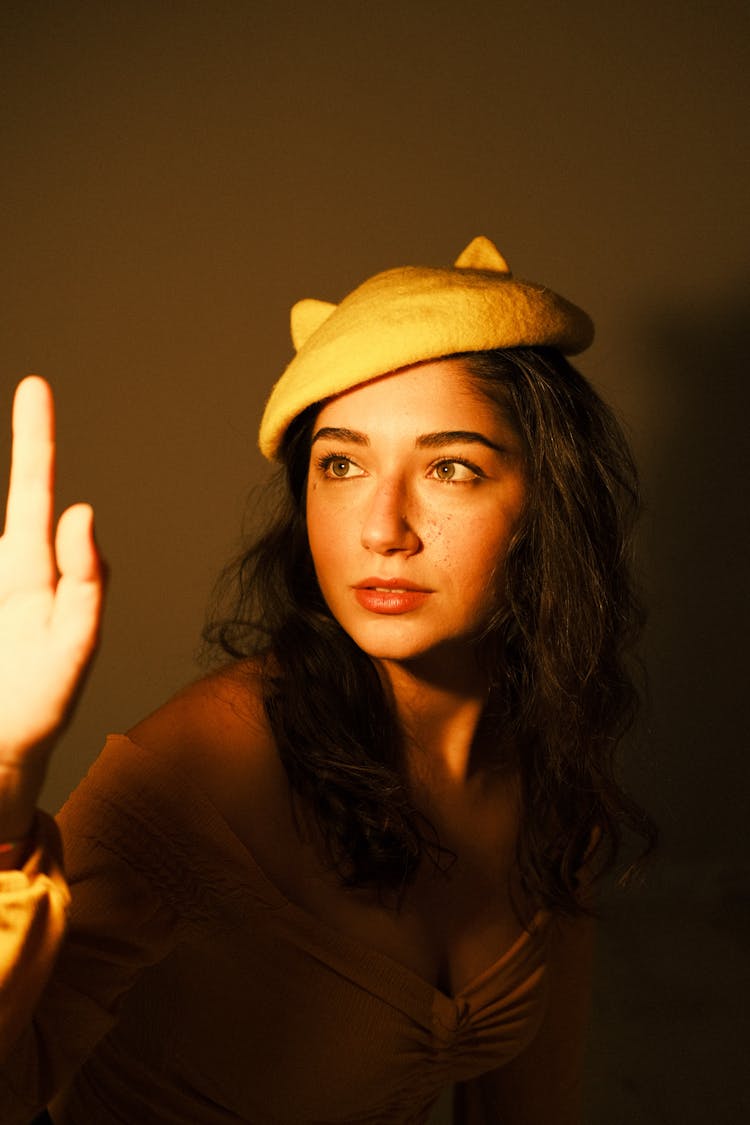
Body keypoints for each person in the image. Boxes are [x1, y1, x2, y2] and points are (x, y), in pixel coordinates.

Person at [0, 236, 654, 1124]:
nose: (382, 527)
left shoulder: (550, 763)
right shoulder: (202, 767)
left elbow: (530, 1104)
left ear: (548, 500)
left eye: (450, 467)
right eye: (340, 465)